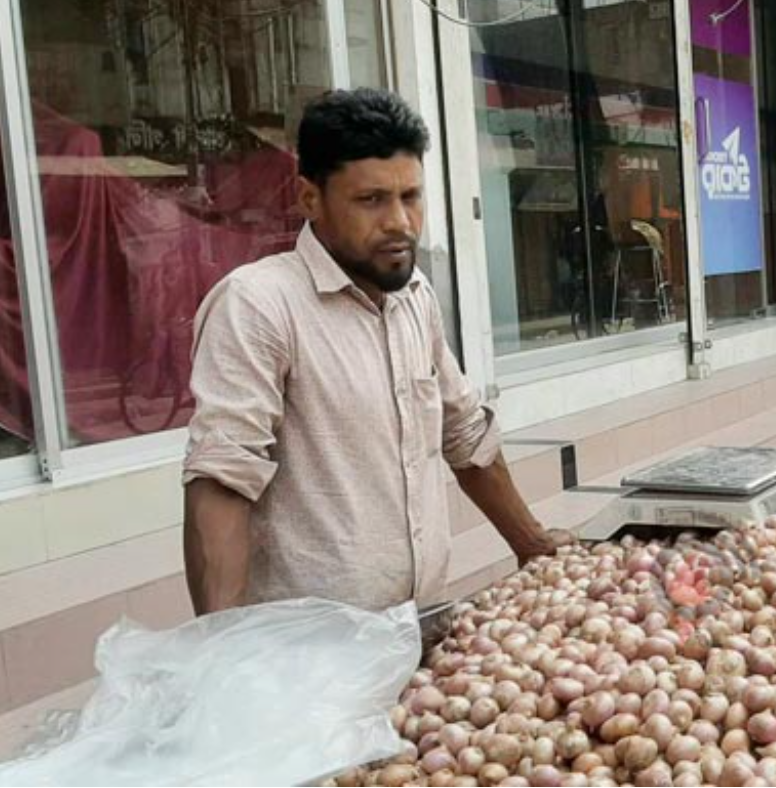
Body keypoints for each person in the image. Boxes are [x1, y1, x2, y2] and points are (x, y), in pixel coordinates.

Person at [182, 88, 572, 615]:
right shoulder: (259, 305)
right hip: (313, 651)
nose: (400, 223)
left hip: (419, 630)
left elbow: (463, 436)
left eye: (410, 197)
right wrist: (215, 650)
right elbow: (223, 480)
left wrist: (532, 545)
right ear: (309, 199)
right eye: (371, 200)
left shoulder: (413, 297)